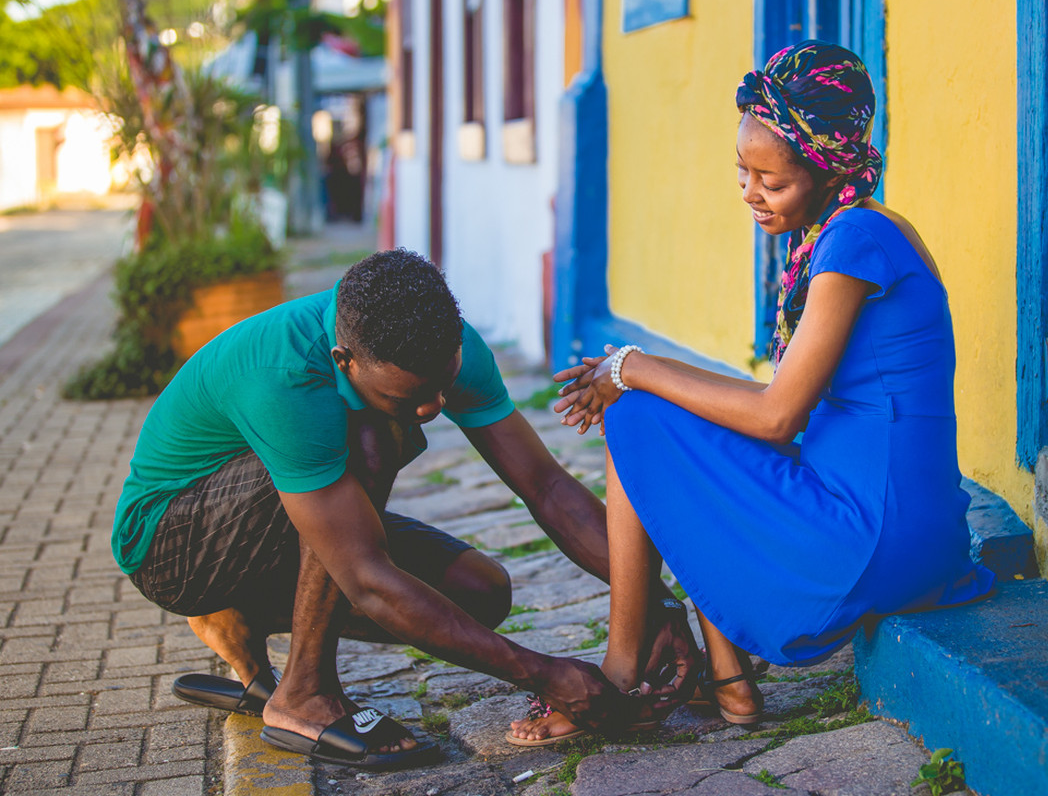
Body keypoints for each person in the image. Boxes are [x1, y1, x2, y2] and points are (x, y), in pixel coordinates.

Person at [507, 40, 996, 745]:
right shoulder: (857, 229)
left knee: (640, 412)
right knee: (663, 417)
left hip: (872, 535)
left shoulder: (853, 242)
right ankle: (726, 677)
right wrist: (638, 375)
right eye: (743, 170)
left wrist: (632, 367)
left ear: (827, 169)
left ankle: (625, 670)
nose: (750, 192)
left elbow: (775, 416)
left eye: (772, 179)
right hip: (909, 531)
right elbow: (775, 410)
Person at [113, 249, 696, 770]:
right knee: (370, 439)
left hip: (289, 516)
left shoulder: (445, 345)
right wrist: (546, 673)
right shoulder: (285, 378)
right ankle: (304, 695)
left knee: (480, 593)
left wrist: (655, 602)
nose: (431, 409)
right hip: (172, 541)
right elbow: (367, 580)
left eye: (441, 387)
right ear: (344, 360)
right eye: (407, 396)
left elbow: (545, 487)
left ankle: (237, 614)